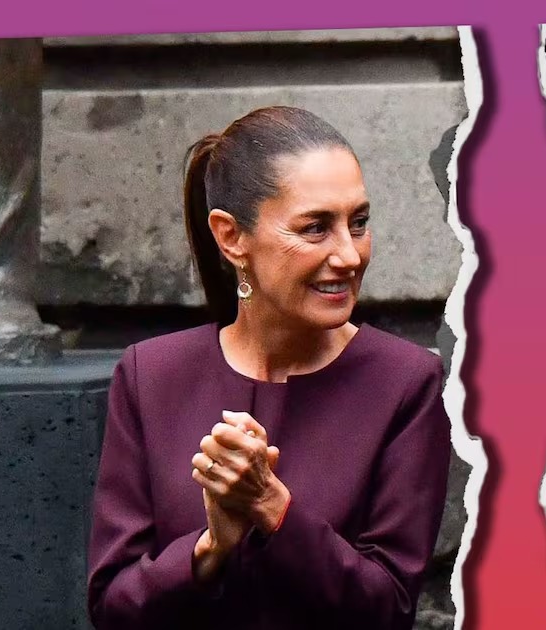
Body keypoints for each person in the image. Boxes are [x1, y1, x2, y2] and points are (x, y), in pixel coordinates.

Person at [86, 105, 452, 629]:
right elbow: (111, 606)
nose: (350, 255)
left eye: (358, 223)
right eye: (315, 228)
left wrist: (273, 508)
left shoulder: (406, 382)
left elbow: (388, 609)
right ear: (232, 237)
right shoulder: (152, 375)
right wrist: (211, 548)